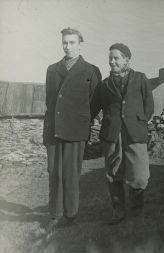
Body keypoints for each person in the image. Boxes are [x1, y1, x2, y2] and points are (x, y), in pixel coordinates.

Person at [43, 27, 101, 228]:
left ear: (80, 44)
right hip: (54, 129)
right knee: (54, 172)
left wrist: (81, 118)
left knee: (70, 174)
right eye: (64, 43)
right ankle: (55, 215)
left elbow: (95, 102)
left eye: (72, 43)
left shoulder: (91, 71)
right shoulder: (52, 69)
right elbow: (49, 101)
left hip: (76, 130)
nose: (67, 47)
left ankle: (70, 215)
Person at [90, 43, 154, 225]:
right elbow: (93, 108)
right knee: (113, 173)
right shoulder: (104, 85)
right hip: (112, 133)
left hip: (135, 132)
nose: (112, 62)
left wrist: (138, 121)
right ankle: (118, 211)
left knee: (140, 174)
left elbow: (149, 106)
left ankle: (136, 211)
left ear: (127, 59)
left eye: (116, 58)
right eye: (110, 58)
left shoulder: (141, 79)